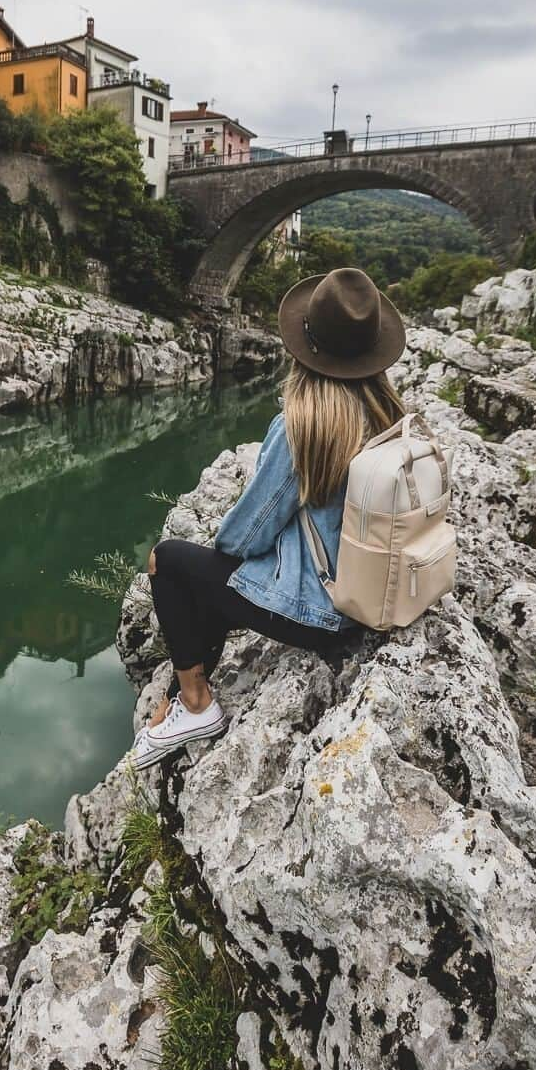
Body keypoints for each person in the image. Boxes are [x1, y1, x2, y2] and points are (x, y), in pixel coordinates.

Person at [130, 266, 407, 769]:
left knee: (169, 561)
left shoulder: (305, 425)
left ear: (306, 347)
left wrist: (220, 548)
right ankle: (182, 693)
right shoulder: (389, 416)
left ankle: (195, 705)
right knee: (214, 579)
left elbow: (244, 537)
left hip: (322, 614)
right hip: (373, 598)